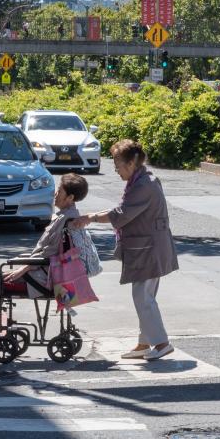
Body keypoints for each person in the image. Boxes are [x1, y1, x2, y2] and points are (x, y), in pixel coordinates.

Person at [0, 174, 100, 345]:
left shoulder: (66, 220)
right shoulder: (69, 217)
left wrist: (24, 268)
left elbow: (48, 254)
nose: (55, 194)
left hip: (46, 277)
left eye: (60, 191)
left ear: (70, 197)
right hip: (46, 272)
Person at [71, 140, 179, 361]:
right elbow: (121, 210)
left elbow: (121, 214)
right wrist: (92, 216)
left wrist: (90, 218)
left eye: (119, 166)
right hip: (149, 247)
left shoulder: (143, 186)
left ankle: (161, 342)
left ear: (131, 164)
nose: (117, 170)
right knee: (144, 296)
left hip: (149, 249)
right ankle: (144, 343)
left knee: (143, 297)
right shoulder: (142, 180)